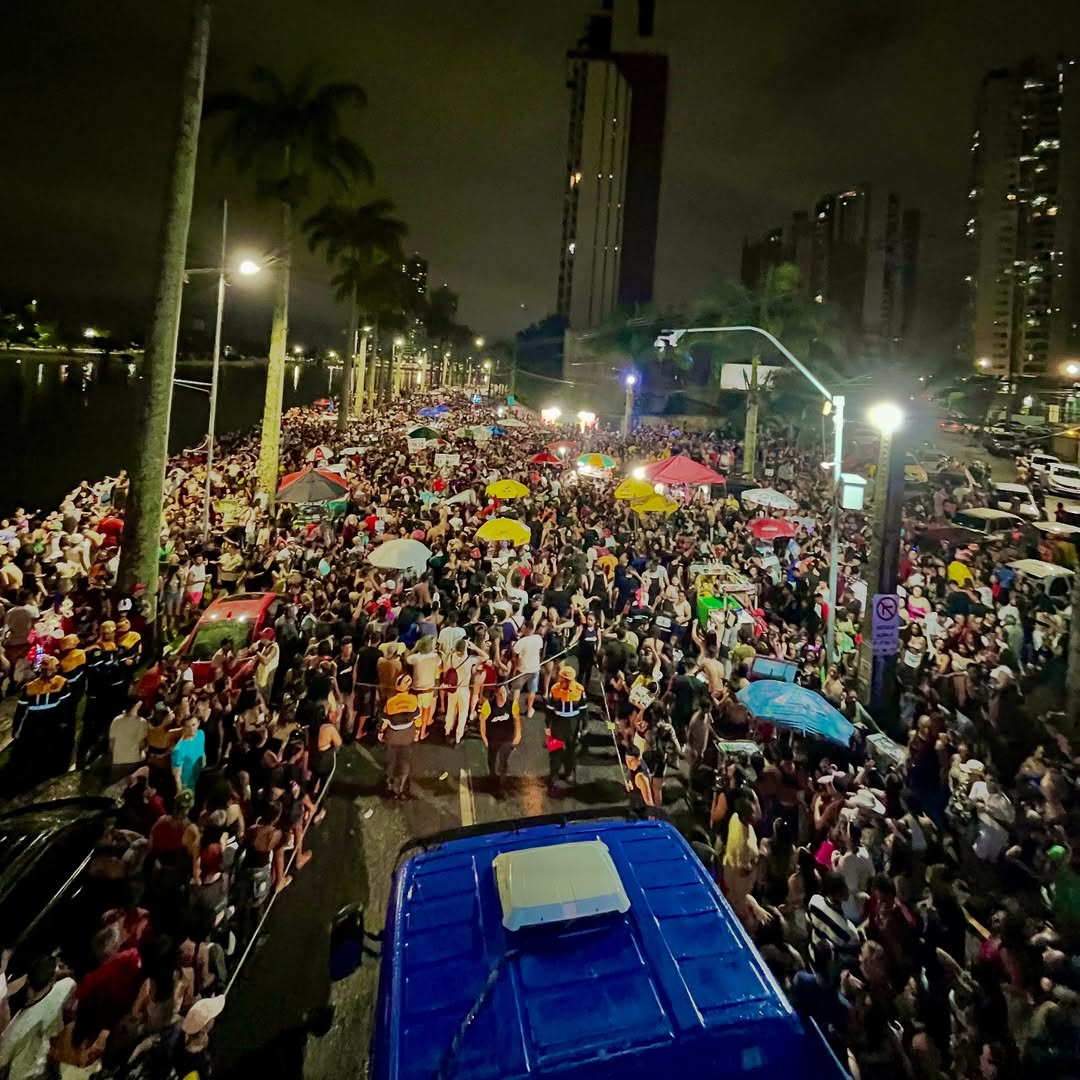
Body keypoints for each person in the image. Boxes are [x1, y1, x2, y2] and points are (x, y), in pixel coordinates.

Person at [0, 955, 76, 1080]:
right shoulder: (66, 987)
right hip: (25, 1072)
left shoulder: (66, 987)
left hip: (34, 1065)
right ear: (51, 980)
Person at [379, 673, 419, 800]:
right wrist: (417, 731)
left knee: (391, 761)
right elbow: (417, 719)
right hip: (407, 735)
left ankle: (389, 785)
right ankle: (400, 788)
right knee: (404, 762)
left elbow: (385, 721)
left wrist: (380, 732)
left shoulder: (390, 702)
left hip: (392, 736)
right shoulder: (413, 700)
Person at [546, 663, 584, 794]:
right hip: (557, 723)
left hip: (572, 724)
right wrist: (547, 726)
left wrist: (583, 726)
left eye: (562, 678)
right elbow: (550, 709)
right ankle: (553, 775)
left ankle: (568, 773)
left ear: (569, 680)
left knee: (571, 750)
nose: (559, 679)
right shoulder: (554, 689)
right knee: (555, 751)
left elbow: (584, 710)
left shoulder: (579, 690)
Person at [479, 683, 521, 797]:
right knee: (492, 759)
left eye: (504, 693)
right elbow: (482, 720)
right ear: (496, 694)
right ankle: (492, 776)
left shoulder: (512, 704)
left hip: (507, 737)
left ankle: (501, 784)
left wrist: (518, 734)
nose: (503, 695)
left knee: (503, 761)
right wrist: (484, 737)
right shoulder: (488, 705)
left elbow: (517, 719)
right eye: (500, 693)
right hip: (493, 738)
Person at [109, 695, 148, 782]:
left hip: (117, 762)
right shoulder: (142, 723)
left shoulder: (116, 720)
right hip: (134, 761)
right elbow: (142, 745)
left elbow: (111, 743)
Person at [171, 713, 206, 794]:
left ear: (198, 723)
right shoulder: (179, 750)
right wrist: (181, 794)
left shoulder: (201, 734)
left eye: (193, 725)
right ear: (184, 728)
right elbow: (177, 777)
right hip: (187, 785)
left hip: (200, 778)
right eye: (188, 727)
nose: (191, 729)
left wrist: (204, 763)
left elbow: (202, 751)